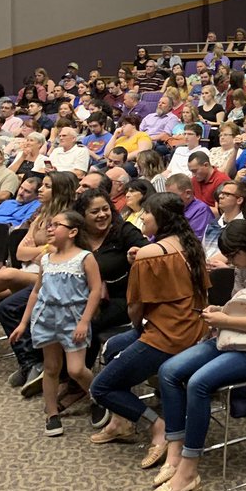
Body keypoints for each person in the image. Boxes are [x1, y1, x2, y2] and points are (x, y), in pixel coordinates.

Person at [146, 221, 246, 491]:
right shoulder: (243, 268)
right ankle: (175, 450)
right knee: (168, 371)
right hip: (237, 337)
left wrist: (225, 319)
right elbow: (240, 306)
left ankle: (188, 472)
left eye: (234, 255)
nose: (232, 262)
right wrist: (221, 312)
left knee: (199, 383)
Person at [88, 193, 210, 461]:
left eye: (147, 212)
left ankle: (159, 427)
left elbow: (135, 309)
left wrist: (139, 327)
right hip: (192, 326)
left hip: (166, 334)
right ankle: (121, 422)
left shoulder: (149, 254)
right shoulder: (190, 244)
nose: (142, 216)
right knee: (112, 348)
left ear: (161, 218)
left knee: (101, 388)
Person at [9, 209, 102, 437]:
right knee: (51, 368)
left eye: (56, 225)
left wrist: (84, 322)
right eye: (49, 225)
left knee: (76, 369)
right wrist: (23, 323)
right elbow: (36, 292)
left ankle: (100, 398)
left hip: (72, 318)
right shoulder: (46, 259)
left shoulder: (85, 257)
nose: (49, 229)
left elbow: (95, 291)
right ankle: (51, 413)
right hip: (46, 318)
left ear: (72, 232)